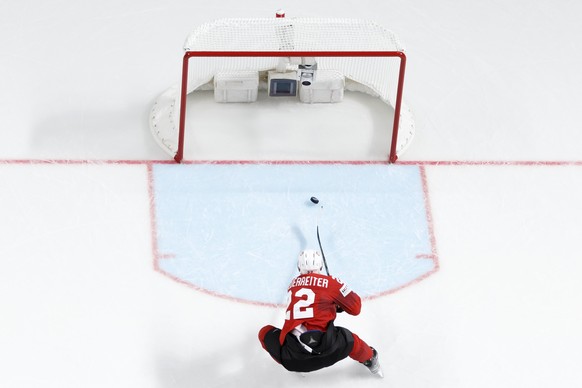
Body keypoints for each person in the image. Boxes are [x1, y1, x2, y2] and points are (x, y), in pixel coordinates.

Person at [258, 249, 383, 377]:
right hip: (329, 351)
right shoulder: (331, 283)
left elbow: (313, 306)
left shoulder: (292, 285)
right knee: (350, 340)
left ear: (299, 267)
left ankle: (298, 369)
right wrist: (338, 293)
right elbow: (355, 309)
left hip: (292, 358)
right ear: (321, 266)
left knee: (264, 333)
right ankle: (371, 360)